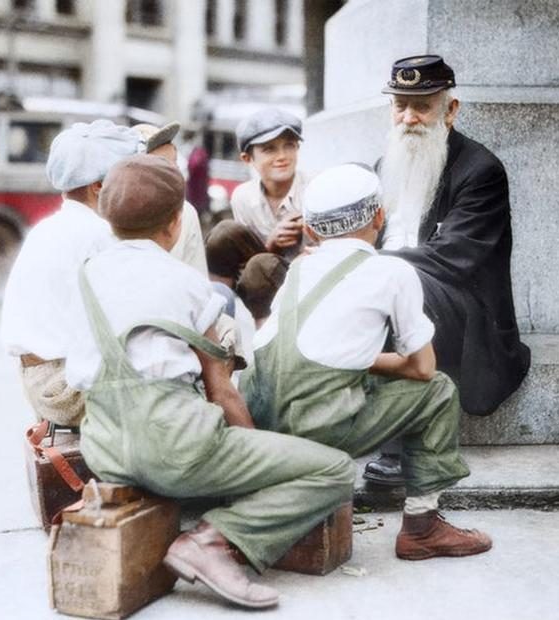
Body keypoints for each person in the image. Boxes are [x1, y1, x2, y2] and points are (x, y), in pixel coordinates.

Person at [65, 154, 355, 610]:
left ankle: (201, 522)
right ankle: (214, 544)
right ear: (175, 224)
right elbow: (221, 390)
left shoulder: (83, 278)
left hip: (105, 451)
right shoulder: (188, 284)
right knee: (335, 469)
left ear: (107, 218)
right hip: (178, 449)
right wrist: (257, 463)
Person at [241, 163, 492, 561]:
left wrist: (358, 359)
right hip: (316, 427)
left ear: (309, 231)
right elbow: (422, 369)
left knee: (354, 379)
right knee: (439, 391)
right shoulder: (392, 271)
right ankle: (422, 526)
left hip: (259, 420)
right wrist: (368, 360)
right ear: (379, 216)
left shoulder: (299, 269)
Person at [364, 54, 531, 485]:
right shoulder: (385, 166)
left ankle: (400, 447)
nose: (408, 117)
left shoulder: (481, 170)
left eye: (422, 105)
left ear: (450, 110)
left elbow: (451, 259)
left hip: (464, 309)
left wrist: (368, 270)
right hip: (392, 286)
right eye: (400, 105)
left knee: (404, 287)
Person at [0, 120, 140, 426]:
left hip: (39, 378)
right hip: (65, 387)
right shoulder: (98, 235)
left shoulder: (49, 228)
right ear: (99, 187)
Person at [205, 107, 305, 322]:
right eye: (269, 149)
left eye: (289, 146)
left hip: (309, 280)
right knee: (223, 233)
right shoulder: (242, 197)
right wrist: (273, 243)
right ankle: (220, 318)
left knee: (261, 265)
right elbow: (248, 265)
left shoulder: (314, 189)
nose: (282, 156)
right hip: (262, 283)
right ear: (247, 158)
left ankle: (268, 343)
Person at [132, 121, 208, 276]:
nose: (174, 172)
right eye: (162, 165)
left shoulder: (186, 213)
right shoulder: (110, 215)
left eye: (174, 162)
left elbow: (199, 282)